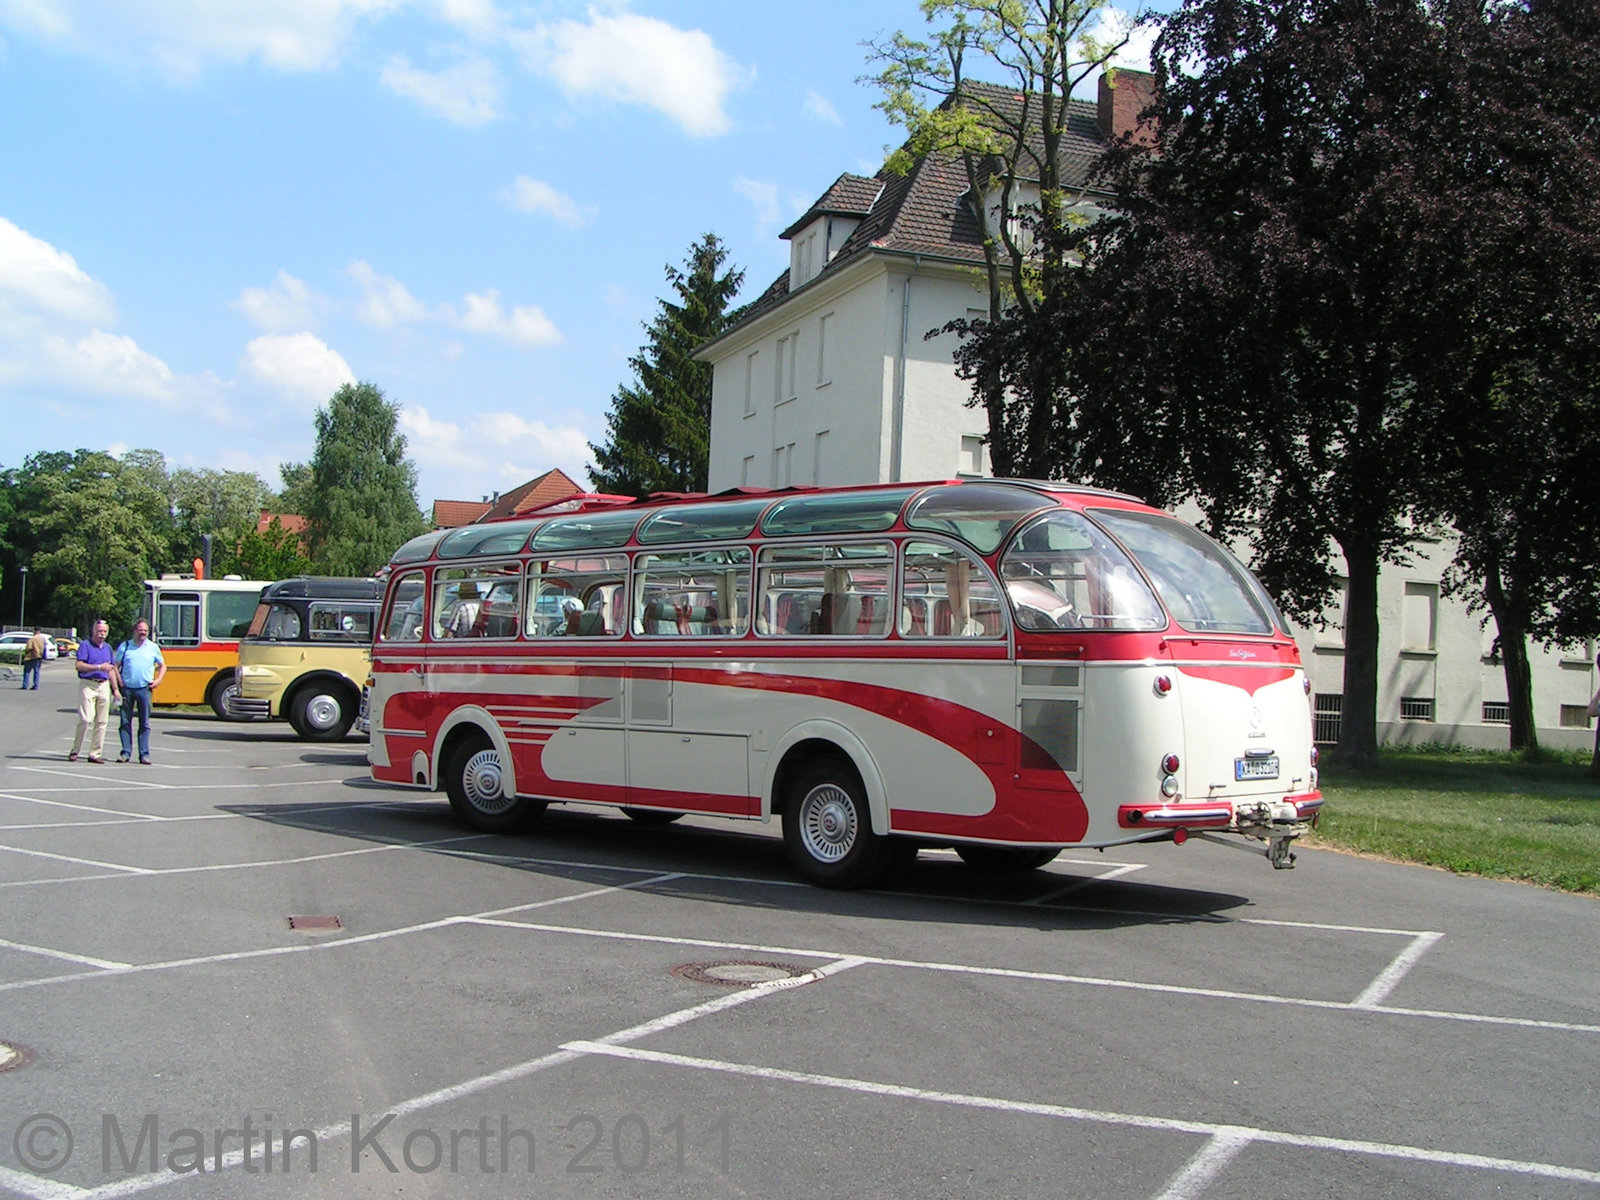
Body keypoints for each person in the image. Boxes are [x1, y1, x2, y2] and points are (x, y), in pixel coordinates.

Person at [68, 619, 120, 764]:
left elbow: (110, 669)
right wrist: (97, 667)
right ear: (94, 631)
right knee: (86, 718)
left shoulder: (108, 648)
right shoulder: (85, 645)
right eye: (99, 631)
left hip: (103, 685)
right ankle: (75, 750)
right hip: (88, 684)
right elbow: (79, 665)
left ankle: (95, 753)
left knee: (102, 721)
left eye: (104, 632)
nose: (102, 634)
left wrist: (115, 689)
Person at [115, 619, 166, 764]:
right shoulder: (125, 646)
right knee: (125, 722)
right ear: (135, 631)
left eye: (145, 630)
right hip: (127, 690)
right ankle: (125, 753)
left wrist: (158, 681)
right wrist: (119, 682)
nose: (143, 633)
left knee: (144, 723)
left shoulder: (153, 647)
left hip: (145, 689)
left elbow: (163, 666)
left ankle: (144, 754)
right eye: (140, 630)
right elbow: (115, 666)